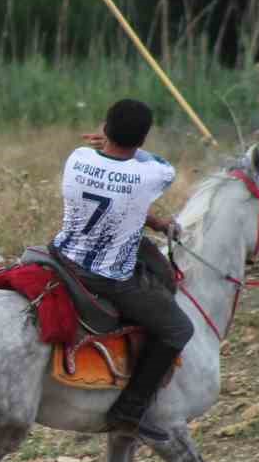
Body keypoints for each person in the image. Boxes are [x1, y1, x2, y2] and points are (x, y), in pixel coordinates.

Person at [50, 98, 192, 441]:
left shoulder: (78, 158)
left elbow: (115, 193)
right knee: (178, 328)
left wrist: (154, 222)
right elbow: (143, 173)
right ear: (142, 140)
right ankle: (129, 409)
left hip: (63, 255)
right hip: (106, 275)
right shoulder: (152, 173)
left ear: (105, 128)